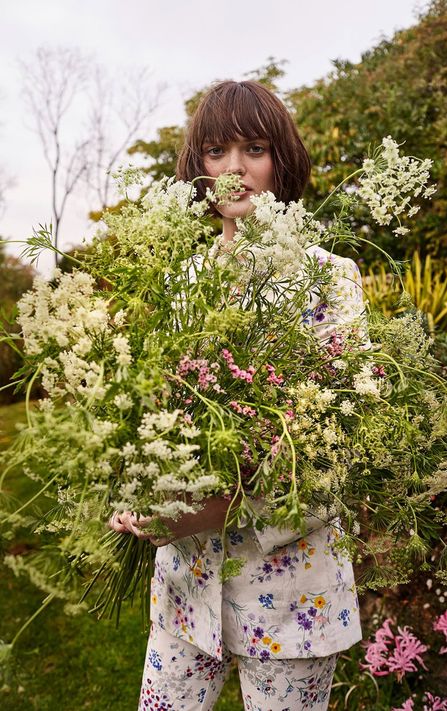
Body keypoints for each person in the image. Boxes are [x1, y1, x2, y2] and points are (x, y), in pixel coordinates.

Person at [110, 80, 365, 711]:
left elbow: (340, 445)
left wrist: (212, 508)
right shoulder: (178, 281)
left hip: (290, 593)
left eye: (253, 148)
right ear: (198, 166)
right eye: (216, 151)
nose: (234, 169)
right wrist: (130, 485)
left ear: (282, 159)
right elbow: (147, 412)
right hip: (183, 589)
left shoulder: (328, 278)